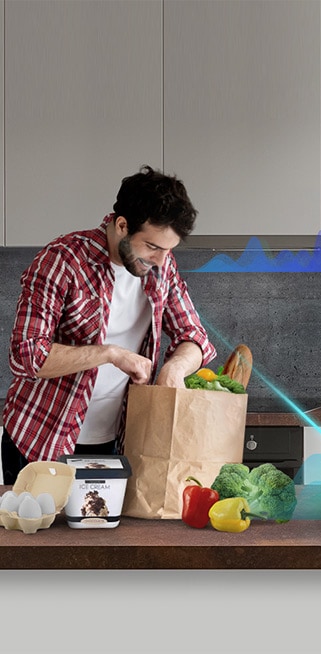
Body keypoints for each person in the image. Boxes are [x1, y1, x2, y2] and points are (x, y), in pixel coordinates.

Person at [1, 165, 216, 485]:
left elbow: (194, 337)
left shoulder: (162, 266)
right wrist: (111, 353)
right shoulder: (62, 260)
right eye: (153, 246)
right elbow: (26, 354)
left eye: (168, 250)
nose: (161, 260)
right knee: (45, 533)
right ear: (121, 225)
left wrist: (176, 367)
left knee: (104, 537)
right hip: (41, 440)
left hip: (115, 444)